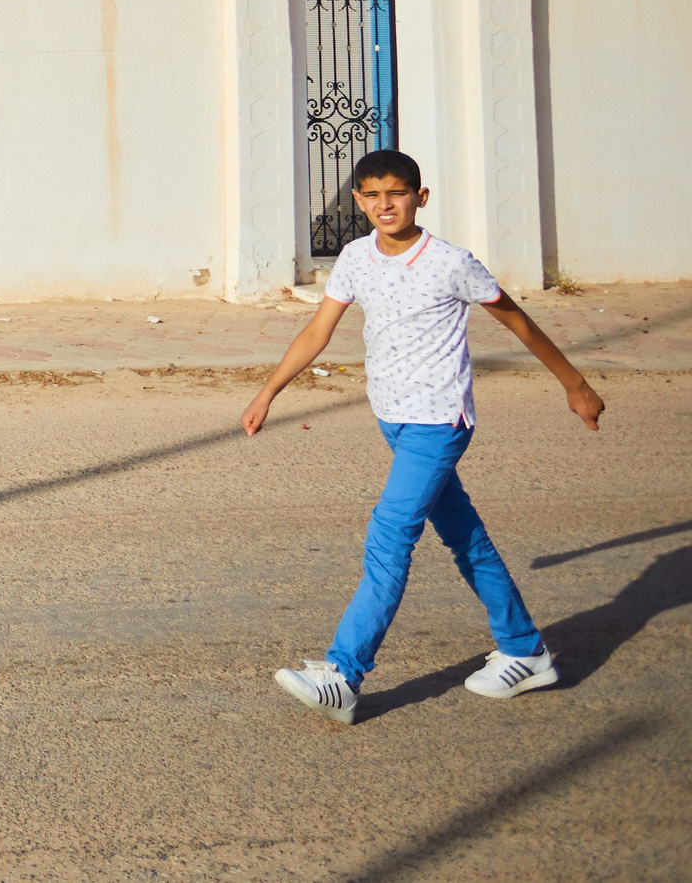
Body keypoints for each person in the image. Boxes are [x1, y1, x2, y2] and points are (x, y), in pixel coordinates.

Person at [243, 149, 603, 724]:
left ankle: (344, 673)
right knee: (466, 537)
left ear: (421, 197)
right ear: (358, 201)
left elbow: (519, 322)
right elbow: (317, 331)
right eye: (372, 195)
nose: (385, 204)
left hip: (439, 421)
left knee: (390, 534)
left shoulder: (452, 263)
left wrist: (575, 384)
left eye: (397, 192)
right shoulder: (357, 258)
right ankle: (525, 650)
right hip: (392, 417)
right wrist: (268, 392)